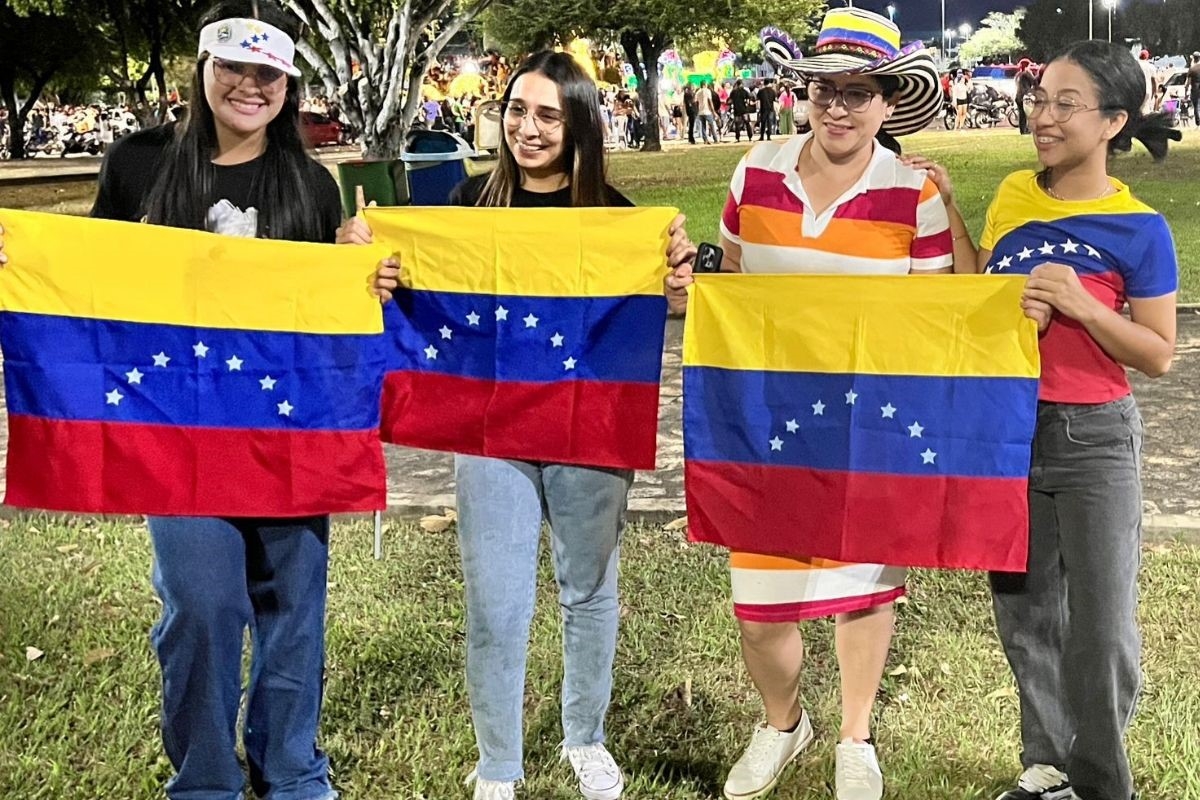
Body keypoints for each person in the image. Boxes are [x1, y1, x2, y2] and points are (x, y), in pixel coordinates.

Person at [0, 2, 350, 798]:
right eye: (234, 66)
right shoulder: (138, 164)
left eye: (269, 73)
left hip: (288, 428)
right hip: (176, 434)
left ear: (288, 85)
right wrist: (22, 262)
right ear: (202, 68)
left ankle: (293, 771)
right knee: (202, 606)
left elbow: (334, 316)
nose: (250, 86)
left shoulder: (308, 182)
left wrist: (363, 272)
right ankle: (204, 780)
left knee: (294, 609)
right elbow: (90, 278)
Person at [337, 51, 695, 800]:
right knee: (496, 603)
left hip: (587, 428)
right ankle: (497, 763)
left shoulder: (618, 220)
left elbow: (663, 310)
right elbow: (395, 293)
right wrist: (367, 267)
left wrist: (674, 282)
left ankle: (584, 737)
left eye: (547, 115)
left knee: (588, 588)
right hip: (489, 434)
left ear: (578, 126)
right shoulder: (465, 207)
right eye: (516, 110)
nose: (527, 129)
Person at [665, 9, 950, 800]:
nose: (838, 107)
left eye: (858, 93)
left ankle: (855, 735)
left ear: (888, 103)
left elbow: (932, 316)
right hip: (765, 418)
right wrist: (693, 287)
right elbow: (731, 283)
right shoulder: (755, 170)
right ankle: (784, 722)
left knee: (865, 591)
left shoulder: (914, 190)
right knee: (760, 605)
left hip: (870, 421)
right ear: (805, 95)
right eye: (826, 89)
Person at [907, 39, 1179, 800]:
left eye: (1066, 104)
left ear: (1113, 120)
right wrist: (956, 210)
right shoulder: (1015, 194)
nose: (1044, 117)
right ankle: (1048, 768)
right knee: (1025, 615)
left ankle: (1102, 783)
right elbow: (979, 293)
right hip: (1009, 431)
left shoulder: (1140, 228)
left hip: (1095, 441)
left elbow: (1158, 354)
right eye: (1041, 100)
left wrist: (1085, 305)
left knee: (1102, 629)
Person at [1015, 58, 1037, 134]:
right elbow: (1034, 81)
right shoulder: (1026, 74)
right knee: (1029, 114)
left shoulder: (1018, 75)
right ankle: (1027, 130)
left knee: (1022, 115)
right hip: (1025, 96)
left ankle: (1022, 130)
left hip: (1018, 96)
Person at [1137, 49, 1157, 115]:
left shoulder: (1136, 65)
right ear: (1147, 57)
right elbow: (1154, 82)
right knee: (1145, 111)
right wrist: (1154, 93)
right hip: (1147, 90)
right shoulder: (1150, 66)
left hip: (1137, 90)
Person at [1187, 52, 1200, 127]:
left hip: (1195, 90)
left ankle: (1198, 123)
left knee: (1197, 106)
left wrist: (1186, 90)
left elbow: (1188, 82)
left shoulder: (1192, 69)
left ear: (1194, 58)